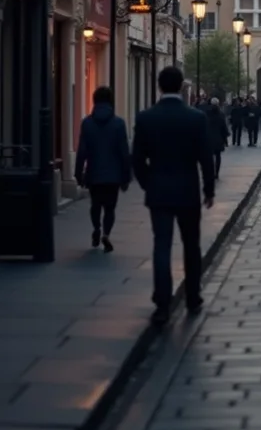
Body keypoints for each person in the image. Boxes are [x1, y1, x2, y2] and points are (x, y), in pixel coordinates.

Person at [131, 64, 215, 324]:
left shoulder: (146, 118)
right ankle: (192, 296)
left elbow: (136, 159)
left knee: (162, 245)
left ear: (159, 86)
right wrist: (208, 189)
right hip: (187, 191)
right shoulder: (195, 118)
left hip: (159, 192)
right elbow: (205, 157)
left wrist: (149, 183)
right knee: (191, 246)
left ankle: (162, 303)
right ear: (180, 86)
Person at [75, 85, 131, 252]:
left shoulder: (87, 123)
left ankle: (96, 228)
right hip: (113, 175)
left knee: (95, 204)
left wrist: (79, 173)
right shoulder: (119, 124)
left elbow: (82, 151)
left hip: (94, 173)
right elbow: (124, 152)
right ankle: (106, 233)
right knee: (110, 207)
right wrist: (126, 176)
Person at [203, 96, 228, 182]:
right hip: (218, 138)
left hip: (208, 138)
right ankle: (216, 173)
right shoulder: (221, 114)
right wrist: (225, 138)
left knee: (209, 157)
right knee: (218, 156)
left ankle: (210, 172)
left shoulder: (206, 113)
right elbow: (224, 127)